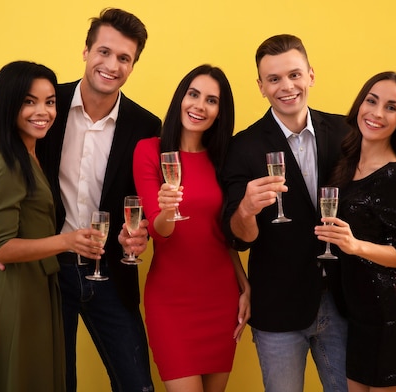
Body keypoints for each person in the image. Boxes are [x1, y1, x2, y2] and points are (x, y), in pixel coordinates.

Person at [0, 8, 161, 392]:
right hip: (48, 273)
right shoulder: (45, 106)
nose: (112, 65)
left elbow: (144, 201)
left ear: (134, 65)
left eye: (124, 58)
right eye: (104, 52)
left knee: (137, 384)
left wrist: (142, 233)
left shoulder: (146, 126)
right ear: (86, 52)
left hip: (110, 274)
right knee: (55, 382)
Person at [0, 60, 97, 391]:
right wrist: (68, 241)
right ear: (8, 105)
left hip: (35, 289)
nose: (42, 111)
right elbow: (3, 246)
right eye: (29, 101)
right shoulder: (8, 160)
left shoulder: (31, 150)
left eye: (49, 101)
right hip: (11, 297)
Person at [221, 34, 350, 392]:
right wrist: (246, 209)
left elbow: (376, 197)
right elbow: (237, 237)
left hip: (343, 302)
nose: (286, 86)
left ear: (311, 75)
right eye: (274, 79)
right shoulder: (243, 146)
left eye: (294, 75)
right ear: (260, 86)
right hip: (277, 310)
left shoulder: (345, 133)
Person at [133, 65, 251, 392]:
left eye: (211, 100)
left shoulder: (223, 159)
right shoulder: (149, 150)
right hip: (171, 302)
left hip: (221, 299)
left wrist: (245, 285)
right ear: (181, 98)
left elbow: (224, 235)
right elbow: (160, 231)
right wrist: (168, 209)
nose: (199, 106)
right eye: (194, 95)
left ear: (219, 112)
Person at [314, 71, 396, 391]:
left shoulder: (394, 175)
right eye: (371, 101)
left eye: (391, 107)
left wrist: (355, 246)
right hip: (358, 319)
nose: (377, 113)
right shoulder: (349, 163)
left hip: (390, 317)